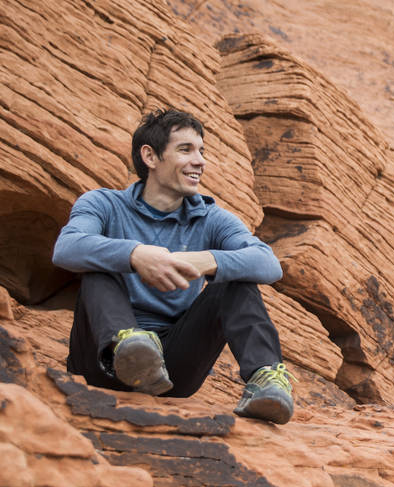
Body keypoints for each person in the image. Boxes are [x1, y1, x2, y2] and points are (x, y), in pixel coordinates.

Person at [52, 108, 295, 424]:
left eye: (202, 151)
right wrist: (136, 255)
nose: (200, 161)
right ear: (150, 157)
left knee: (236, 280)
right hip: (101, 363)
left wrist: (207, 260)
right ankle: (129, 346)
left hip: (171, 371)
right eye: (186, 150)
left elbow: (267, 263)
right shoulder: (103, 204)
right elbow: (66, 248)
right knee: (97, 264)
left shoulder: (211, 219)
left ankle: (267, 380)